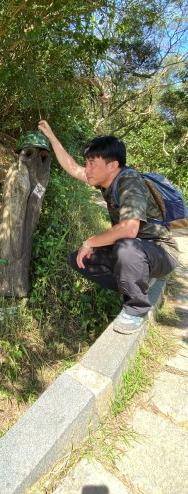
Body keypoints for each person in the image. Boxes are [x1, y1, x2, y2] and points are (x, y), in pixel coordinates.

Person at [38, 119, 179, 334]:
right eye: (87, 162)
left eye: (92, 163)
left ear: (112, 165)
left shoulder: (129, 181)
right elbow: (72, 167)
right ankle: (137, 281)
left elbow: (129, 229)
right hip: (139, 251)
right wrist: (51, 136)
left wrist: (91, 241)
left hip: (161, 252)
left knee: (125, 247)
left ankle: (136, 309)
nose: (87, 168)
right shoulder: (106, 182)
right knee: (80, 259)